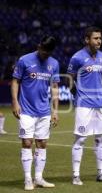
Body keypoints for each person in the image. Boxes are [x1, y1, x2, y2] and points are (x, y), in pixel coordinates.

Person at [11, 35, 59, 191]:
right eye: (43, 51)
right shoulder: (24, 60)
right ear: (39, 46)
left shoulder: (54, 64)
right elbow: (15, 81)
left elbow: (54, 88)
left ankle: (38, 178)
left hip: (44, 111)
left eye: (48, 53)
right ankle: (27, 179)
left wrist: (55, 110)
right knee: (27, 142)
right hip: (26, 110)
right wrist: (15, 102)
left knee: (42, 144)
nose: (45, 54)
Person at [67, 26, 102, 185]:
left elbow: (99, 78)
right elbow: (70, 79)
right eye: (95, 38)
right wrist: (76, 94)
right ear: (87, 40)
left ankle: (101, 174)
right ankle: (76, 175)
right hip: (84, 104)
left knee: (101, 139)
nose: (99, 41)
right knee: (80, 139)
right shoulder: (77, 58)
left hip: (100, 103)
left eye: (100, 38)